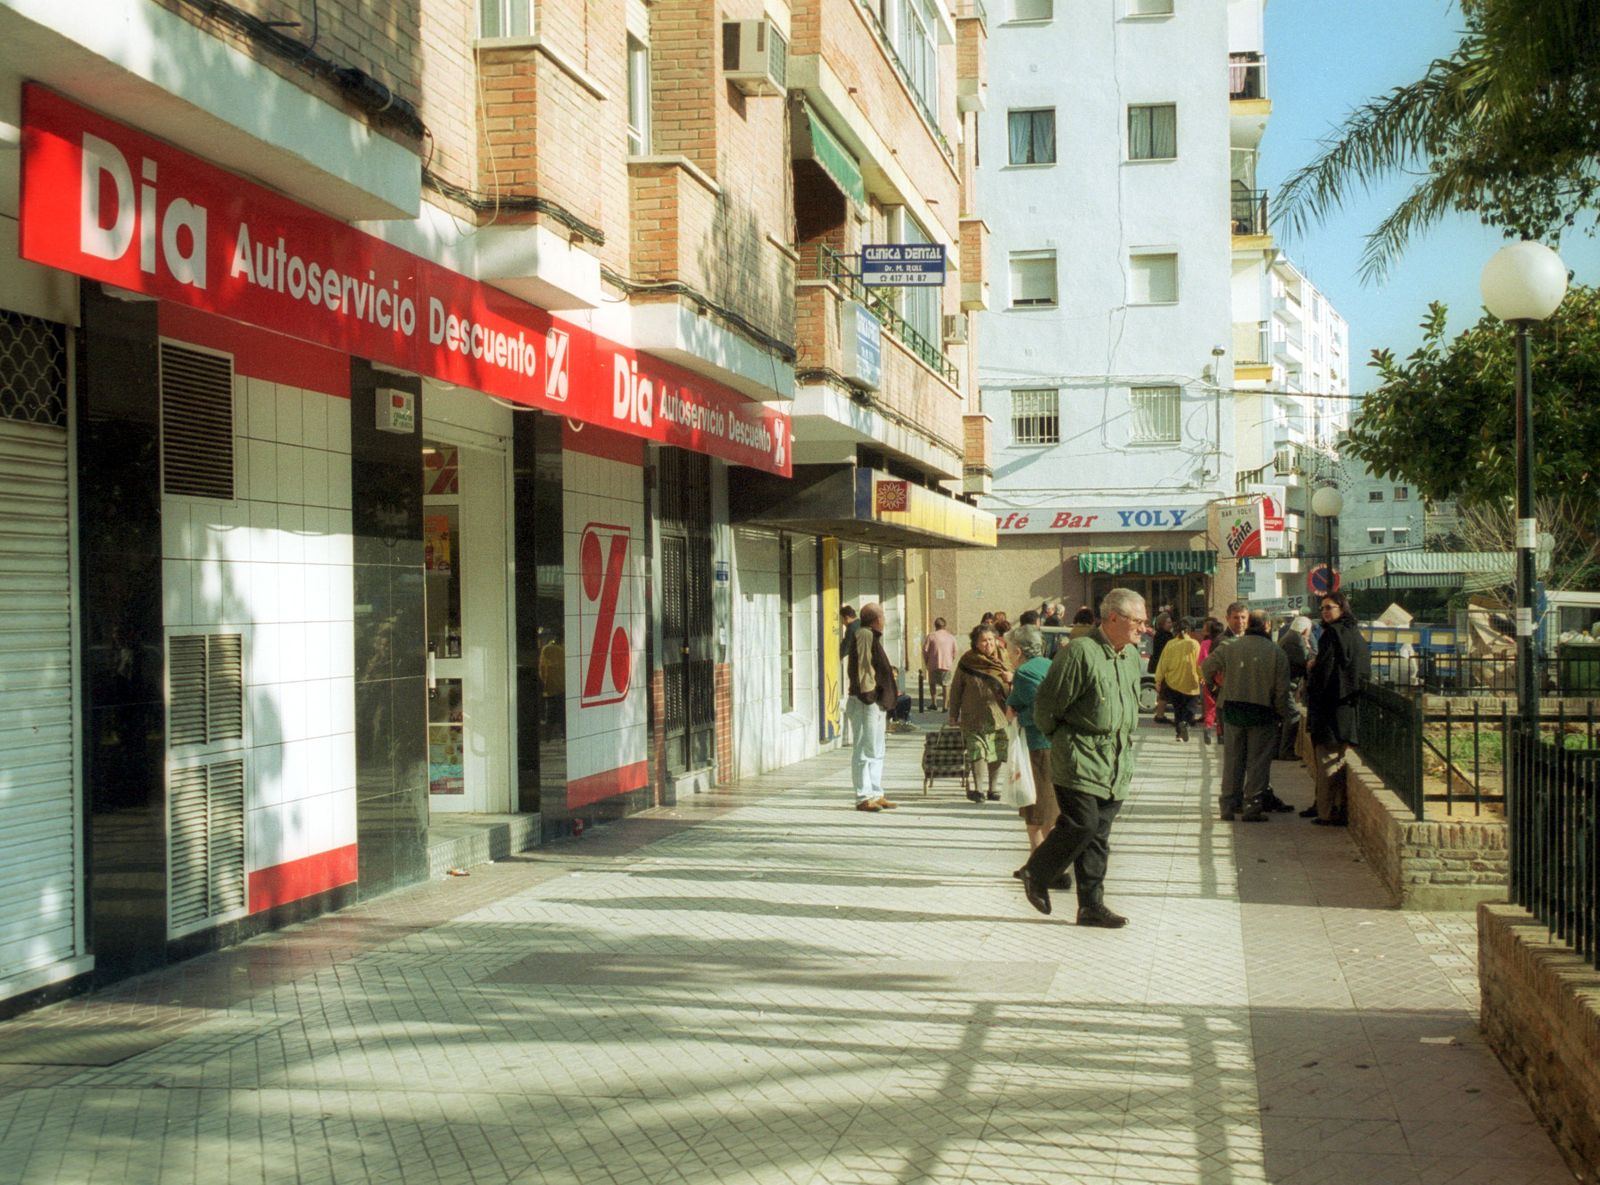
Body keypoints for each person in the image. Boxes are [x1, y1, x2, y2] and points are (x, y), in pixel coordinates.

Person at [1016, 587, 1147, 927]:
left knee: (1098, 835)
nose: (1143, 628)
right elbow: (1046, 709)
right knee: (1082, 824)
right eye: (1137, 621)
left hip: (1115, 762)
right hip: (1079, 758)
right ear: (1114, 618)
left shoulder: (1130, 657)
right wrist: (1064, 742)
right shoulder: (1080, 652)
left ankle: (1091, 906)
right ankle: (1036, 871)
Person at [1202, 609, 1291, 821]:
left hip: (1233, 709)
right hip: (1262, 712)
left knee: (1233, 760)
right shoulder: (1276, 652)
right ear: (1267, 625)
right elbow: (1282, 690)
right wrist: (1281, 713)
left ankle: (1228, 805)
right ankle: (1252, 806)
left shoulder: (1230, 646)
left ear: (1248, 623)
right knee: (1258, 762)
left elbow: (1206, 667)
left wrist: (1216, 688)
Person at [1005, 624, 1068, 887]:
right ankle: (1035, 862)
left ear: (1018, 651)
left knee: (1037, 806)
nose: (1008, 655)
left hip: (1037, 745)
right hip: (1056, 743)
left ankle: (1045, 867)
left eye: (1009, 650)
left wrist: (1016, 713)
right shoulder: (1049, 665)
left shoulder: (1025, 672)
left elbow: (1033, 709)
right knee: (1044, 806)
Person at [1304, 591, 1370, 826]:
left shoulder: (1332, 634)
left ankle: (1327, 811)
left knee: (1327, 761)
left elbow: (1325, 673)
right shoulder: (1354, 634)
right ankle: (1333, 807)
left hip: (1329, 710)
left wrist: (1312, 667)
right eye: (1322, 608)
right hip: (1347, 707)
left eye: (1329, 607)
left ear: (1342, 608)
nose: (1324, 612)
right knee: (1338, 760)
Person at [948, 623, 1014, 803]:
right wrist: (953, 713)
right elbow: (956, 688)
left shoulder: (1005, 658)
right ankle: (978, 790)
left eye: (991, 640)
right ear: (975, 643)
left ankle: (993, 789)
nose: (988, 644)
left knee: (997, 751)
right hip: (973, 715)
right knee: (977, 750)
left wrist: (1011, 679)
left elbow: (1016, 680)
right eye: (983, 641)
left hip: (1000, 715)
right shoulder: (967, 661)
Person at [845, 603, 899, 813]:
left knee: (876, 750)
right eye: (882, 616)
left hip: (876, 703)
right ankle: (863, 796)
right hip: (866, 703)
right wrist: (869, 696)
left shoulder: (872, 636)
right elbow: (864, 667)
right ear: (877, 619)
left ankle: (876, 793)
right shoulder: (865, 635)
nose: (884, 620)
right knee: (863, 750)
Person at [1153, 617, 1204, 742]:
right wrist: (1202, 676)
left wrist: (1158, 680)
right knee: (1190, 708)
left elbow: (1163, 663)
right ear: (1189, 630)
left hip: (1173, 682)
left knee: (1178, 709)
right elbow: (1200, 663)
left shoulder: (1170, 644)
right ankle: (1186, 723)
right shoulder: (1194, 644)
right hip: (1190, 682)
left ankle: (1179, 734)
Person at [1278, 615, 1315, 761]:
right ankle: (1286, 751)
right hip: (1286, 684)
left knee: (1284, 716)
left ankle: (1279, 750)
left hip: (1284, 683)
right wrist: (1309, 649)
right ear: (1305, 630)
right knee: (1293, 715)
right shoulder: (1296, 641)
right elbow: (1305, 662)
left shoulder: (1289, 636)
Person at [1197, 617, 1225, 743]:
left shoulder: (1204, 643)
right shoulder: (1224, 644)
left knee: (1210, 706)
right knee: (1220, 707)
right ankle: (1220, 734)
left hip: (1207, 679)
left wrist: (1202, 677)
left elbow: (1200, 662)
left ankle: (1208, 727)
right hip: (1221, 679)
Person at [922, 617, 958, 711]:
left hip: (933, 664)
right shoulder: (951, 637)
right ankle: (945, 706)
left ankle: (934, 703)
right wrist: (950, 660)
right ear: (945, 626)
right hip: (946, 665)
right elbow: (955, 651)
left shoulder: (931, 636)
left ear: (935, 625)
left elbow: (925, 650)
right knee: (946, 685)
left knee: (932, 684)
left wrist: (926, 662)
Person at [1148, 613, 1174, 723]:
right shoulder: (1164, 636)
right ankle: (1160, 715)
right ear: (1162, 624)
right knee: (1164, 691)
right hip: (1163, 667)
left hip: (1161, 666)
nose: (1171, 624)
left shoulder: (1160, 634)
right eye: (1168, 622)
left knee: (1164, 691)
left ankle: (1160, 714)